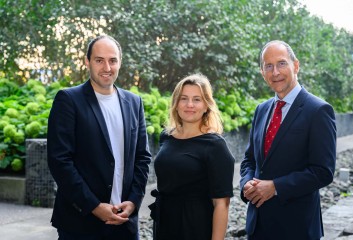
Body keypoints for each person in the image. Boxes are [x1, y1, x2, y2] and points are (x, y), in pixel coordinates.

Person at [47, 35, 152, 240]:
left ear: (120, 63)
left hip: (125, 223)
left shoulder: (134, 102)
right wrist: (93, 206)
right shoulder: (68, 100)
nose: (107, 67)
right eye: (99, 60)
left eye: (112, 60)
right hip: (80, 224)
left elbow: (142, 157)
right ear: (87, 62)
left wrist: (133, 201)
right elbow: (60, 161)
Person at [240, 40, 337, 240]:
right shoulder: (262, 109)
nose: (275, 72)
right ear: (262, 72)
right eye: (268, 66)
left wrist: (275, 187)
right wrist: (246, 184)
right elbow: (250, 159)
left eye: (281, 63)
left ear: (296, 65)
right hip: (258, 227)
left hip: (297, 229)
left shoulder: (318, 111)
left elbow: (323, 171)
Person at [149, 74, 235, 240]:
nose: (189, 105)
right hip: (164, 223)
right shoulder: (166, 136)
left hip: (195, 226)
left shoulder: (215, 145)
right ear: (176, 103)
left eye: (197, 99)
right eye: (184, 98)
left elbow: (221, 204)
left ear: (206, 106)